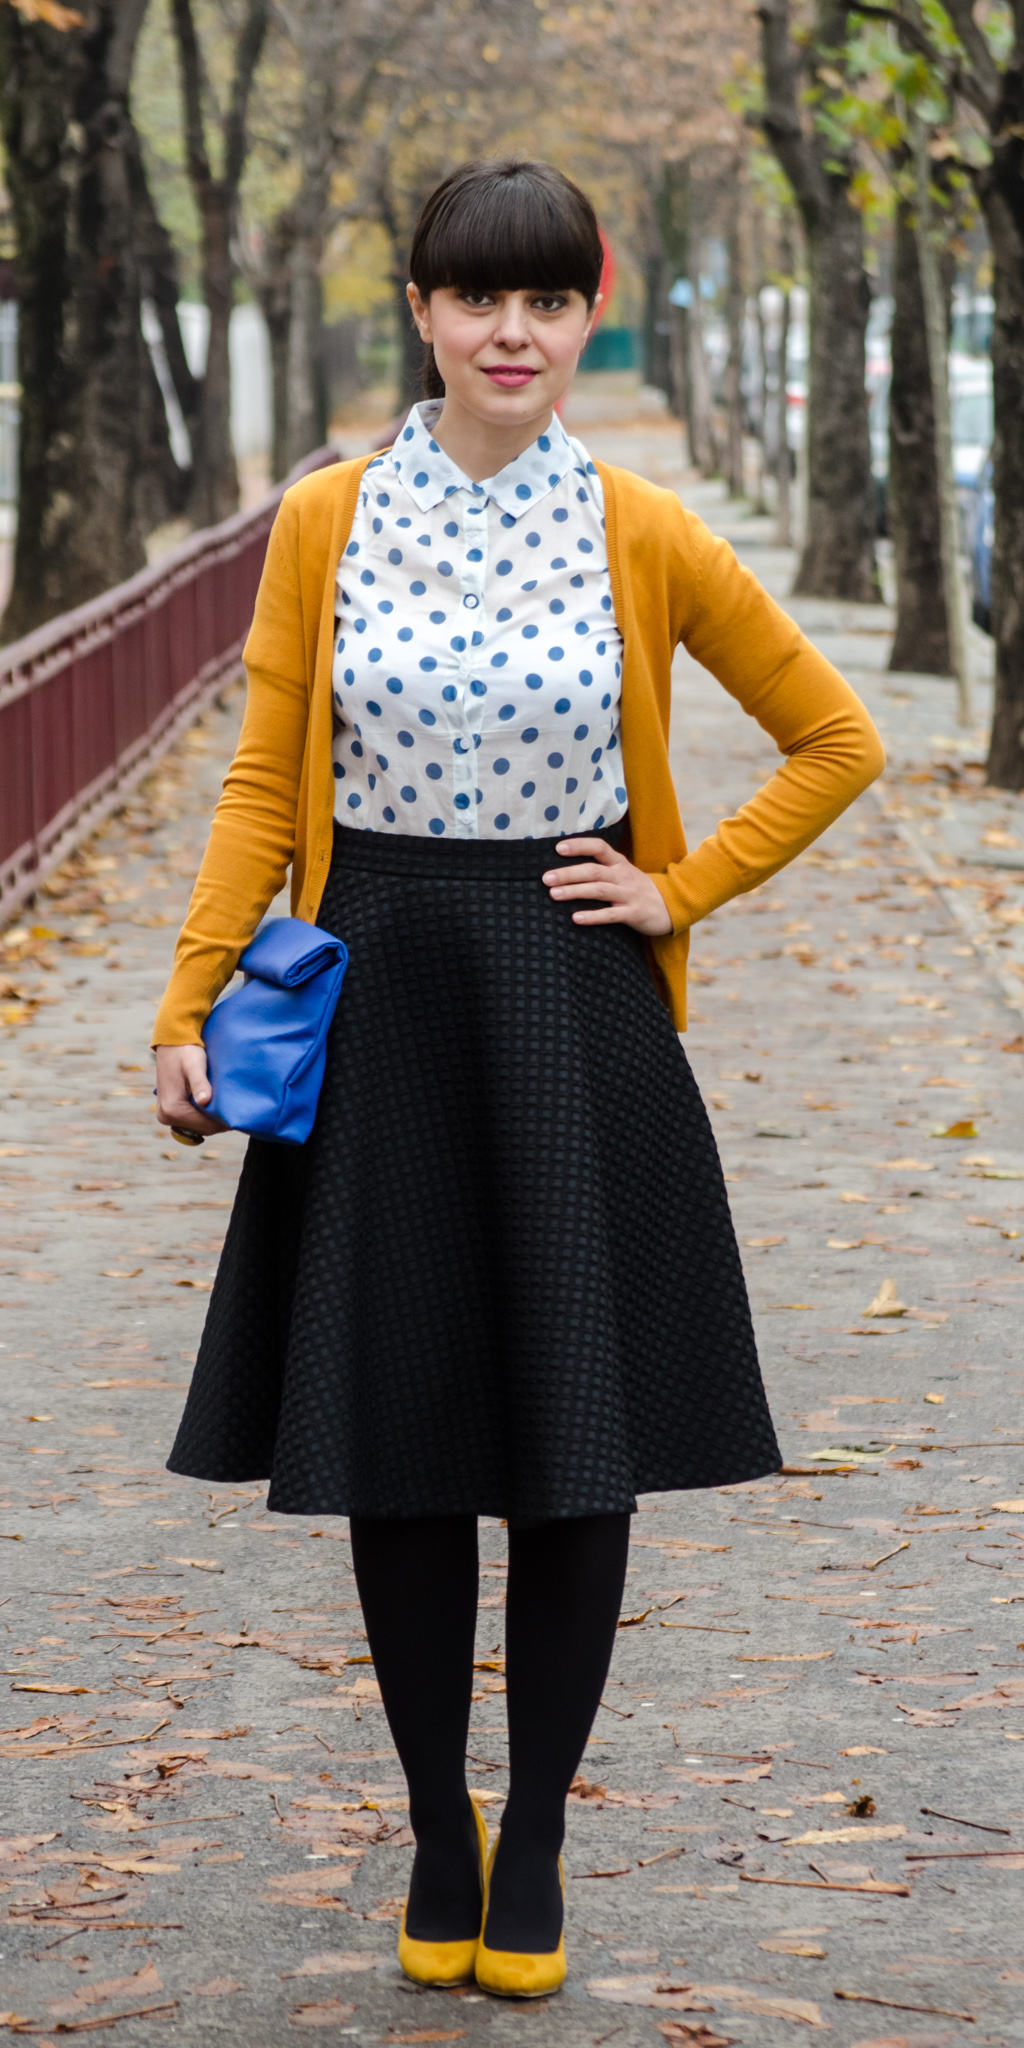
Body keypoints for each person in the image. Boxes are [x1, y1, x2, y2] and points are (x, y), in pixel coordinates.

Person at [153, 158, 884, 1999]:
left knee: (576, 1448)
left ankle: (538, 1832)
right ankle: (434, 1823)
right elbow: (263, 782)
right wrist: (186, 1005)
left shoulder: (643, 529)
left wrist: (678, 884)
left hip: (574, 1005)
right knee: (399, 1439)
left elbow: (835, 734)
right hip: (380, 987)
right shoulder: (326, 522)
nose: (513, 331)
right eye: (480, 298)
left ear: (585, 316)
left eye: (550, 301)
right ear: (421, 311)